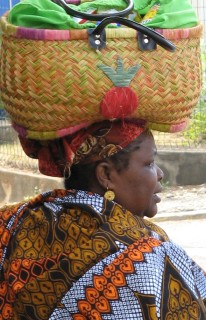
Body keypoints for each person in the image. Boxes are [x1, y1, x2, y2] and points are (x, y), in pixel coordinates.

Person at [0, 119, 206, 320]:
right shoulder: (149, 256)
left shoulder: (12, 223)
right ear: (106, 175)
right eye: (149, 163)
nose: (160, 173)